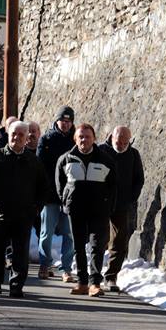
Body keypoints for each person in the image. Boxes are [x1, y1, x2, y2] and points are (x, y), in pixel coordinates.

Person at [0, 121, 46, 297]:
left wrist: (36, 208)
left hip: (22, 215)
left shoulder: (33, 161)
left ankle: (16, 285)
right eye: (13, 134)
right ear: (8, 135)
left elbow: (44, 187)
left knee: (20, 253)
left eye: (21, 135)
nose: (16, 138)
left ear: (27, 138)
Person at [55, 123, 116, 297]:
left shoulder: (106, 160)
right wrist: (66, 201)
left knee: (97, 246)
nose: (84, 140)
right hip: (76, 209)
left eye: (87, 136)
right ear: (75, 138)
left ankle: (95, 283)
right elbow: (60, 185)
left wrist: (108, 206)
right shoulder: (65, 159)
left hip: (99, 210)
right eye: (80, 136)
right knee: (78, 246)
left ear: (94, 138)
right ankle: (82, 282)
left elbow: (113, 187)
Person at [37, 106, 77, 282]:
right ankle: (44, 264)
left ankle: (67, 268)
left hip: (70, 196)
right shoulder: (46, 139)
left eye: (69, 121)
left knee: (69, 234)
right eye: (63, 121)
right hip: (51, 195)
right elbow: (40, 168)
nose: (66, 124)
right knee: (47, 232)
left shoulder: (77, 140)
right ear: (57, 121)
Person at [103, 126, 145, 292]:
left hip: (121, 204)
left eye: (124, 142)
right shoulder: (101, 151)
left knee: (119, 240)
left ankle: (111, 276)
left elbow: (139, 179)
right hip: (102, 202)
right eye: (117, 141)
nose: (120, 145)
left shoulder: (133, 155)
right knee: (98, 239)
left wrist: (130, 199)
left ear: (130, 140)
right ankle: (93, 275)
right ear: (112, 137)